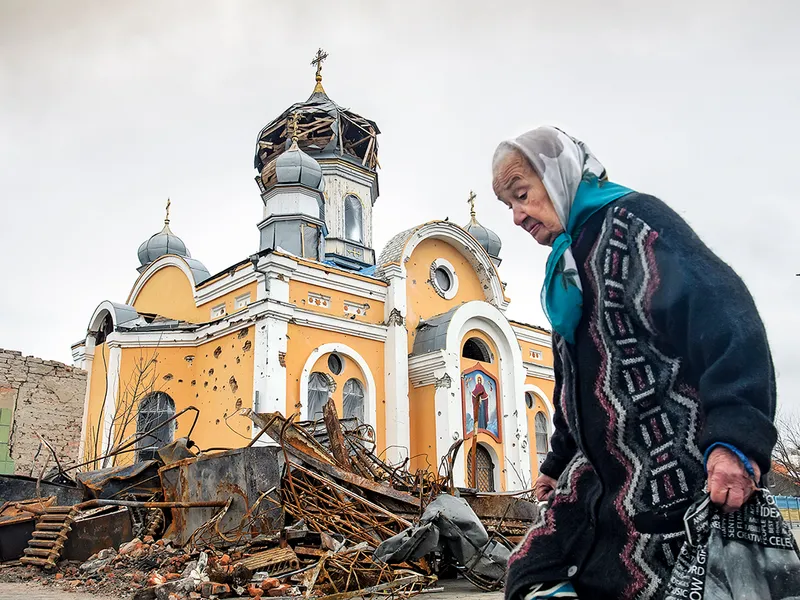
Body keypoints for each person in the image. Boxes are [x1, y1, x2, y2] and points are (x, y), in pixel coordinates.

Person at [491, 127, 777, 600]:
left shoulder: (633, 224)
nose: (518, 216)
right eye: (510, 206)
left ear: (558, 176)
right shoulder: (566, 272)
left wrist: (735, 442)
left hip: (674, 485)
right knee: (530, 572)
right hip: (598, 486)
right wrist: (555, 461)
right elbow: (574, 388)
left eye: (522, 195)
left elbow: (728, 318)